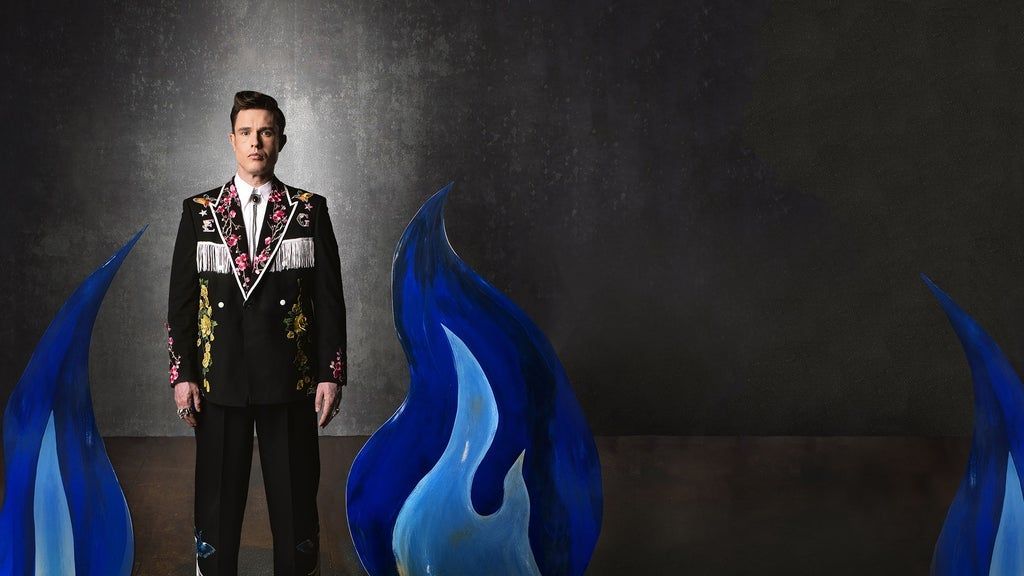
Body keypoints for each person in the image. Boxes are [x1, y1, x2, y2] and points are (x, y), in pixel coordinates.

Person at [165, 90, 347, 576]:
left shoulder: (308, 210)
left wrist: (330, 374)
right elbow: (181, 304)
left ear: (281, 140)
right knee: (217, 505)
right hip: (219, 380)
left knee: (295, 503)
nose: (256, 142)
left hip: (290, 379)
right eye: (246, 132)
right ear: (232, 140)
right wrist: (182, 375)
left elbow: (330, 301)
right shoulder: (200, 212)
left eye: (266, 132)